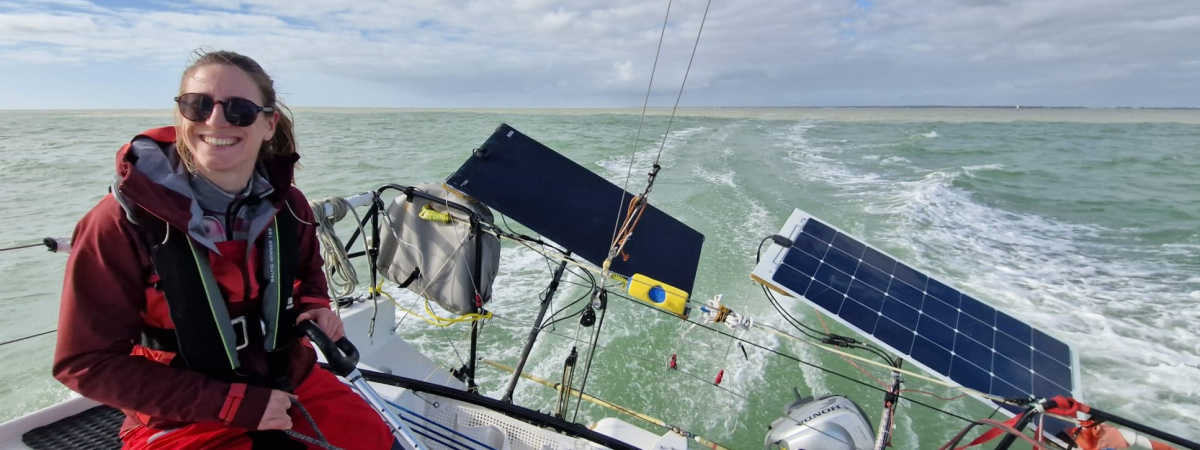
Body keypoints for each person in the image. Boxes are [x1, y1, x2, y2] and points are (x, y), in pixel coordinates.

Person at [53, 50, 397, 450]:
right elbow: (85, 361)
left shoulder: (290, 206)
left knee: (378, 441)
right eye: (197, 105)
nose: (215, 120)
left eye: (239, 110)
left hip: (290, 381)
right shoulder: (118, 223)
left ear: (269, 124)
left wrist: (315, 302)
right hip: (183, 412)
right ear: (180, 116)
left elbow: (307, 270)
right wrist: (230, 404)